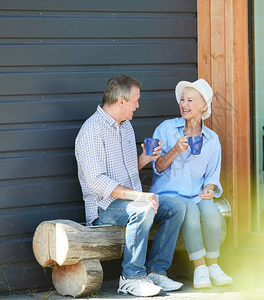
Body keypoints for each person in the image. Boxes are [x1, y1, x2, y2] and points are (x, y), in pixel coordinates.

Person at [75, 74, 186, 297]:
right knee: (143, 208)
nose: (138, 105)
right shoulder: (91, 131)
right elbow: (96, 182)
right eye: (135, 100)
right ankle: (131, 277)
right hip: (103, 208)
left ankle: (156, 271)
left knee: (176, 207)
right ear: (121, 101)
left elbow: (125, 171)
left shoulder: (125, 127)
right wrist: (139, 196)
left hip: (128, 200)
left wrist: (144, 159)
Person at [149, 78, 233, 289]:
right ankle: (200, 268)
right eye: (182, 100)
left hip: (196, 194)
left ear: (204, 106)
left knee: (213, 212)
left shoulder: (212, 139)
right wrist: (176, 150)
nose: (184, 105)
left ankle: (214, 265)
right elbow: (157, 167)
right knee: (192, 213)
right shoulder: (166, 129)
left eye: (190, 101)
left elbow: (213, 174)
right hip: (170, 195)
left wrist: (210, 188)